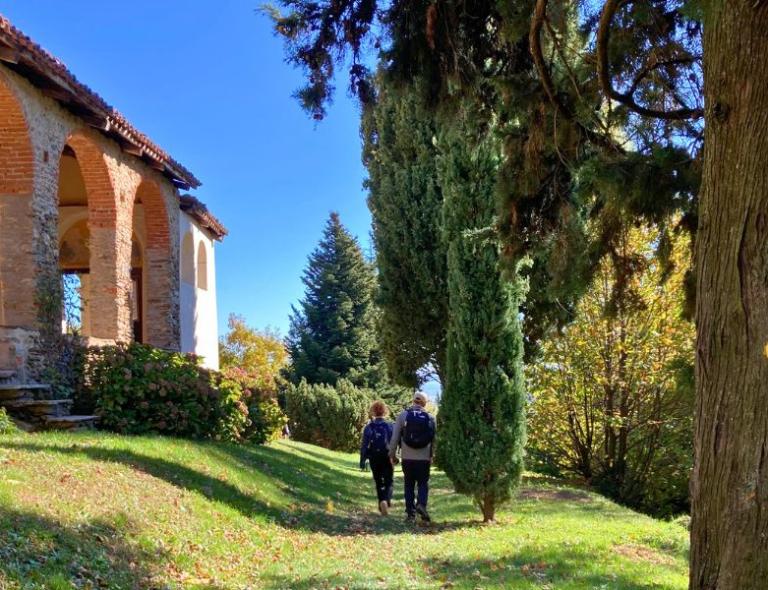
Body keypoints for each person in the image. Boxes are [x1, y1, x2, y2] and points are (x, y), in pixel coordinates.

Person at [389, 392, 436, 523]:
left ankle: (410, 514)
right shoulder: (431, 418)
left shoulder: (403, 416)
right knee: (423, 483)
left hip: (407, 457)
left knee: (409, 484)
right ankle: (421, 504)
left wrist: (392, 455)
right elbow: (434, 439)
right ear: (425, 403)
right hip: (424, 458)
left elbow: (394, 438)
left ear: (413, 401)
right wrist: (433, 455)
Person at [359, 400, 394, 515]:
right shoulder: (389, 426)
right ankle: (387, 500)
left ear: (373, 411)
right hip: (387, 456)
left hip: (374, 457)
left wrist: (363, 459)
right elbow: (394, 442)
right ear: (385, 411)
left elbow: (364, 444)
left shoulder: (369, 427)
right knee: (389, 480)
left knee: (378, 481)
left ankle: (381, 501)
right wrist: (395, 455)